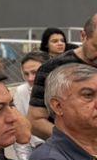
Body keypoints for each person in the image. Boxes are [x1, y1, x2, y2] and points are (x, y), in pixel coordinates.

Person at [28, 14, 97, 143]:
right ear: (83, 36)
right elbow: (35, 121)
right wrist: (77, 143)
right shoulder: (52, 68)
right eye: (96, 47)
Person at [7, 52, 46, 160]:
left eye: (35, 72)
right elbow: (20, 133)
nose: (30, 78)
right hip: (38, 152)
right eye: (26, 74)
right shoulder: (22, 92)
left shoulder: (62, 88)